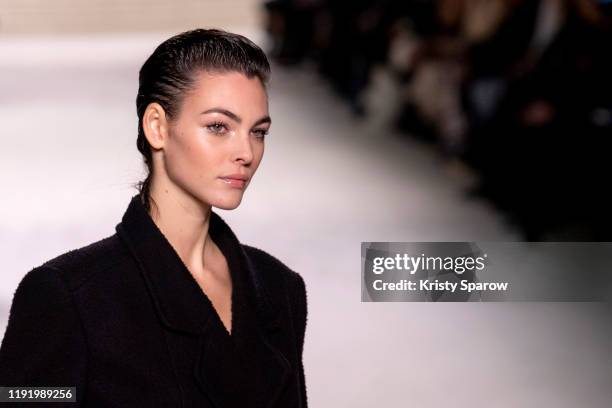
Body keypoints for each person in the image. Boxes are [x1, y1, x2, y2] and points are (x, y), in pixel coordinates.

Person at [0, 28, 308, 407]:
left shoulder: (278, 288)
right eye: (218, 127)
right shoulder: (68, 297)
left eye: (258, 132)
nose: (245, 151)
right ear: (157, 127)